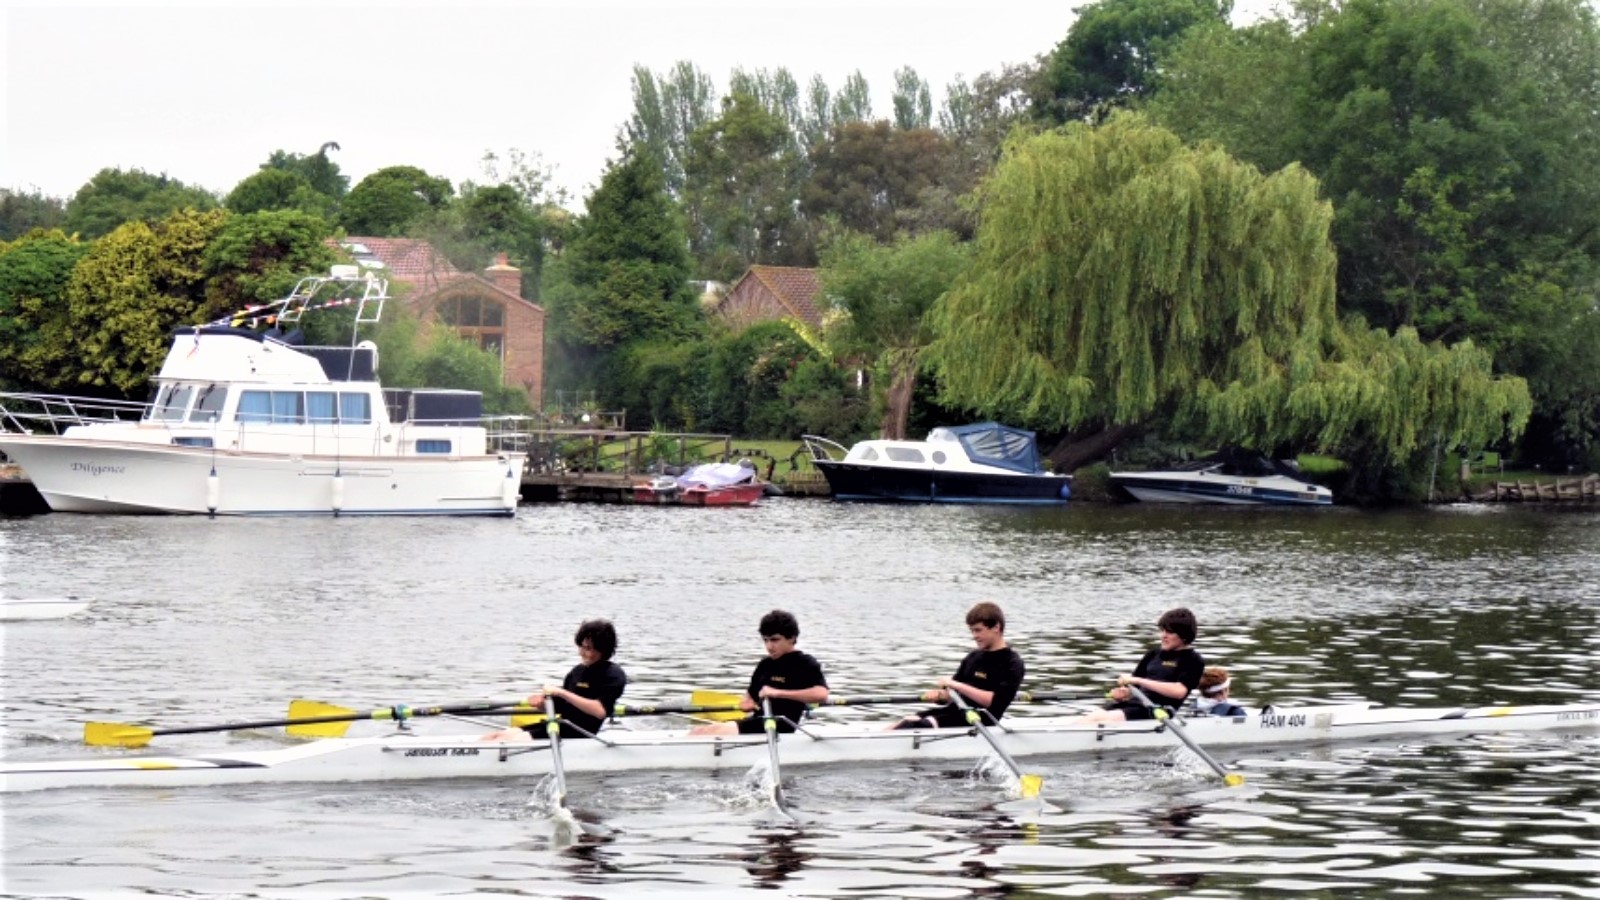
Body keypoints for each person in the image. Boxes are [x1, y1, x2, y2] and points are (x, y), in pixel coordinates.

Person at [690, 609, 829, 736]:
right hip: (759, 721)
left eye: (775, 640)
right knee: (699, 730)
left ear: (791, 638)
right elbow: (750, 696)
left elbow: (821, 694)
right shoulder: (765, 664)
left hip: (781, 725)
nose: (769, 646)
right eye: (765, 640)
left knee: (708, 732)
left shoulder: (804, 663)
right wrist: (747, 702)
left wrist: (778, 693)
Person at [483, 619, 627, 741]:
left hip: (580, 734)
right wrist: (541, 704)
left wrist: (561, 692)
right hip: (559, 725)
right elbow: (562, 707)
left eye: (588, 648)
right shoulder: (577, 672)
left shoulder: (613, 674)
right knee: (495, 736)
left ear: (603, 649)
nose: (581, 653)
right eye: (581, 647)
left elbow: (600, 711)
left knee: (507, 741)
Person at [892, 601, 1025, 730]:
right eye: (972, 631)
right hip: (957, 712)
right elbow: (952, 694)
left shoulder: (1012, 663)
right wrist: (940, 696)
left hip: (982, 719)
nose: (974, 636)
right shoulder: (973, 657)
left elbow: (993, 702)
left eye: (978, 630)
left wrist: (956, 685)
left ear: (996, 627)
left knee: (917, 726)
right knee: (907, 720)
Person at [1078, 608, 1204, 723]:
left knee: (1104, 719)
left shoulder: (1193, 660)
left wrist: (1139, 680)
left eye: (1170, 632)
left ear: (1184, 635)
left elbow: (1179, 691)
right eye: (1162, 630)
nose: (1163, 636)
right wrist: (1124, 693)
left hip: (1158, 711)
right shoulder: (1153, 654)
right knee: (1088, 719)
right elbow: (1133, 689)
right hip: (1133, 706)